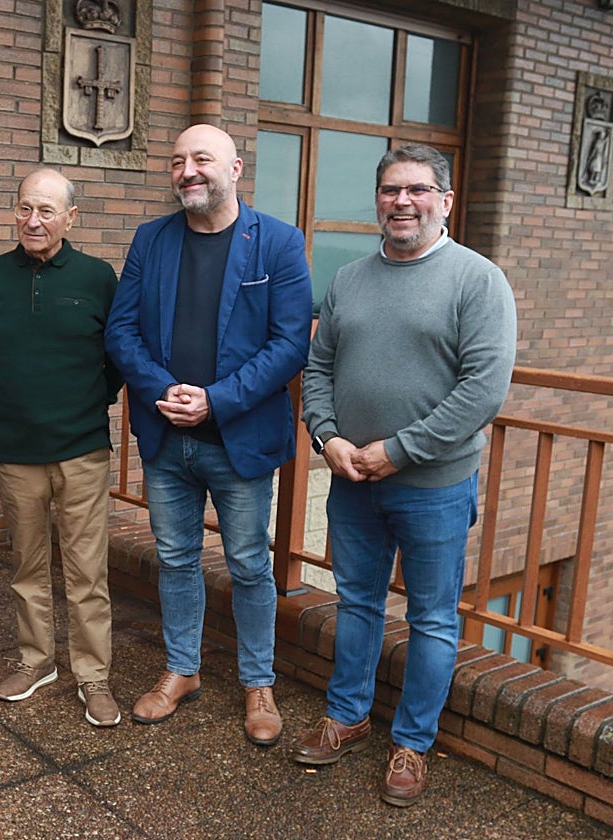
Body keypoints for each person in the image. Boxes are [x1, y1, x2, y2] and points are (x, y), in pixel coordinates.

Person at [296, 143, 517, 806]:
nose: (403, 202)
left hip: (434, 488)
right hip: (352, 481)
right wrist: (327, 437)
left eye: (418, 190)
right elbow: (319, 368)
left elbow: (482, 390)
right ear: (378, 200)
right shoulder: (348, 279)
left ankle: (413, 744)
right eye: (391, 190)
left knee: (433, 619)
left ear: (444, 201)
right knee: (356, 603)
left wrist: (400, 450)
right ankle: (347, 717)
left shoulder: (478, 280)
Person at [105, 124, 312, 744]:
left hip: (239, 439)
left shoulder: (278, 242)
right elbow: (121, 332)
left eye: (202, 159)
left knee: (248, 564)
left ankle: (258, 683)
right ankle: (182, 670)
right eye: (177, 161)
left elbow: (289, 344)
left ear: (236, 168)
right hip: (167, 436)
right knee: (175, 559)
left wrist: (216, 401)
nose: (188, 171)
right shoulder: (151, 239)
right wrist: (164, 389)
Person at [0, 169, 124, 727]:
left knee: (87, 571)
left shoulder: (97, 277)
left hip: (81, 449)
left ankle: (93, 675)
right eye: (24, 209)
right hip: (15, 448)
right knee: (27, 565)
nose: (33, 221)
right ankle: (36, 660)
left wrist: (85, 405)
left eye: (46, 211)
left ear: (70, 218)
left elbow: (116, 359)